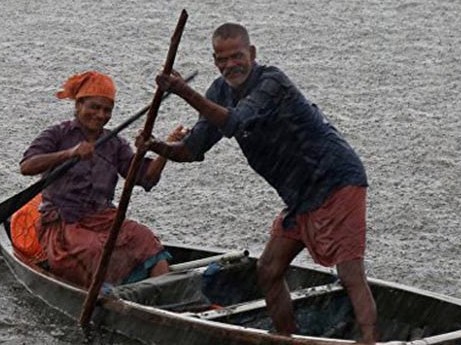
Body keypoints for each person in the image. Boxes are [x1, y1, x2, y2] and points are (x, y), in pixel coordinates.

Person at [139, 23, 377, 344]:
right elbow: (193, 150)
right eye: (222, 60)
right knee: (267, 269)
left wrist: (182, 91)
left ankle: (370, 341)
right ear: (214, 61)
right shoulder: (219, 91)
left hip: (336, 181)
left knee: (350, 273)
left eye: (237, 56)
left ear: (251, 53)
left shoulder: (271, 82)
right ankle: (284, 337)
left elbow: (235, 121)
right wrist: (156, 146)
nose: (230, 65)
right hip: (299, 196)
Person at [19, 70, 184, 288]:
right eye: (94, 107)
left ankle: (159, 297)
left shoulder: (114, 143)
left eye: (107, 110)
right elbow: (27, 166)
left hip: (104, 219)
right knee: (94, 249)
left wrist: (165, 149)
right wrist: (70, 153)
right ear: (79, 106)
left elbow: (146, 178)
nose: (100, 115)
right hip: (65, 223)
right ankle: (109, 296)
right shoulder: (57, 134)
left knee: (145, 239)